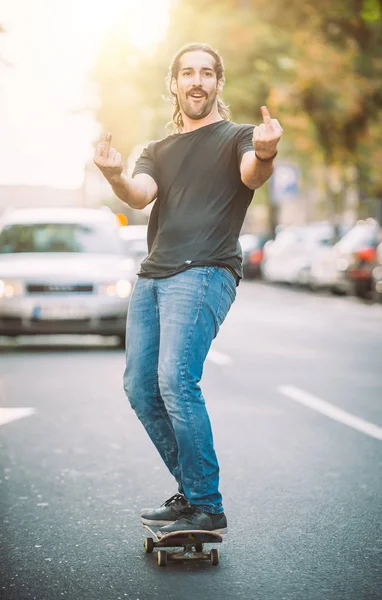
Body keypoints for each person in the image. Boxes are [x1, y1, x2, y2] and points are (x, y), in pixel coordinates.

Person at [94, 43, 283, 536]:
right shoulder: (157, 150)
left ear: (219, 84)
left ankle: (205, 503)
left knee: (177, 380)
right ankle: (194, 494)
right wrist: (115, 174)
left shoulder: (239, 137)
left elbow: (252, 174)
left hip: (204, 271)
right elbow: (139, 195)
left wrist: (265, 153)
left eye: (206, 73)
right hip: (153, 275)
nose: (196, 81)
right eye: (187, 73)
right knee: (140, 387)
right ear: (174, 84)